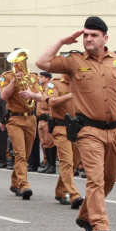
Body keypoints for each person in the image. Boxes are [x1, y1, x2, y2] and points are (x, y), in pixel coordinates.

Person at [37, 16, 116, 231]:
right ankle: (100, 226)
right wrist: (62, 41)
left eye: (94, 35)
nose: (88, 38)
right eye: (86, 35)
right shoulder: (73, 60)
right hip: (88, 130)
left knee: (109, 179)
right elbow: (41, 62)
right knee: (95, 179)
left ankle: (85, 215)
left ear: (105, 38)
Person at [0, 49, 43, 199]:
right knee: (20, 154)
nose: (19, 64)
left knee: (25, 154)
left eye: (22, 60)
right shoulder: (6, 76)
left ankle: (14, 182)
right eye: (16, 61)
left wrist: (31, 94)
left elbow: (40, 97)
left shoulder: (32, 77)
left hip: (31, 118)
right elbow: (3, 96)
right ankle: (24, 185)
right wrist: (13, 82)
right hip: (15, 119)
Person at [44, 72, 83, 207]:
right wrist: (72, 94)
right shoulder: (53, 83)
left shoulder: (81, 82)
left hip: (78, 127)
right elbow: (52, 101)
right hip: (61, 126)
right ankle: (74, 194)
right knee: (67, 162)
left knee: (74, 161)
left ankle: (60, 191)